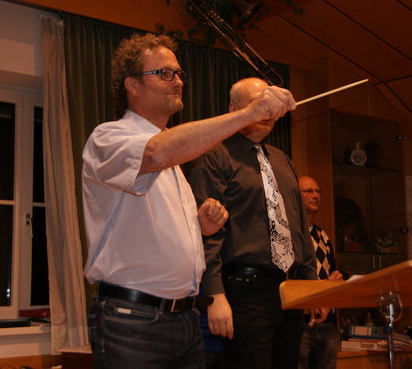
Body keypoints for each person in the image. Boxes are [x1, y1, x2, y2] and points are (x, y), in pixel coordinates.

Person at [82, 34, 297, 368]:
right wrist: (248, 114)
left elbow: (149, 227)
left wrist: (199, 226)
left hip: (184, 319)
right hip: (133, 318)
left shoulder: (175, 158)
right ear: (132, 84)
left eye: (179, 73)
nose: (178, 81)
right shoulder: (109, 137)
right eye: (164, 73)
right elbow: (155, 153)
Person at [188, 77, 327, 369]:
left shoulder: (282, 160)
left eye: (271, 104)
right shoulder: (214, 156)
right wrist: (215, 294)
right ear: (233, 108)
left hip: (289, 291)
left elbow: (299, 227)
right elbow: (207, 232)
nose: (267, 111)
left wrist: (311, 286)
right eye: (257, 104)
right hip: (244, 291)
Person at [297, 176, 343, 369]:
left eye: (318, 191)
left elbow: (334, 276)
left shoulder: (322, 235)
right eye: (308, 191)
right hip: (300, 323)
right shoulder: (290, 235)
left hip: (327, 324)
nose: (315, 196)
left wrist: (331, 289)